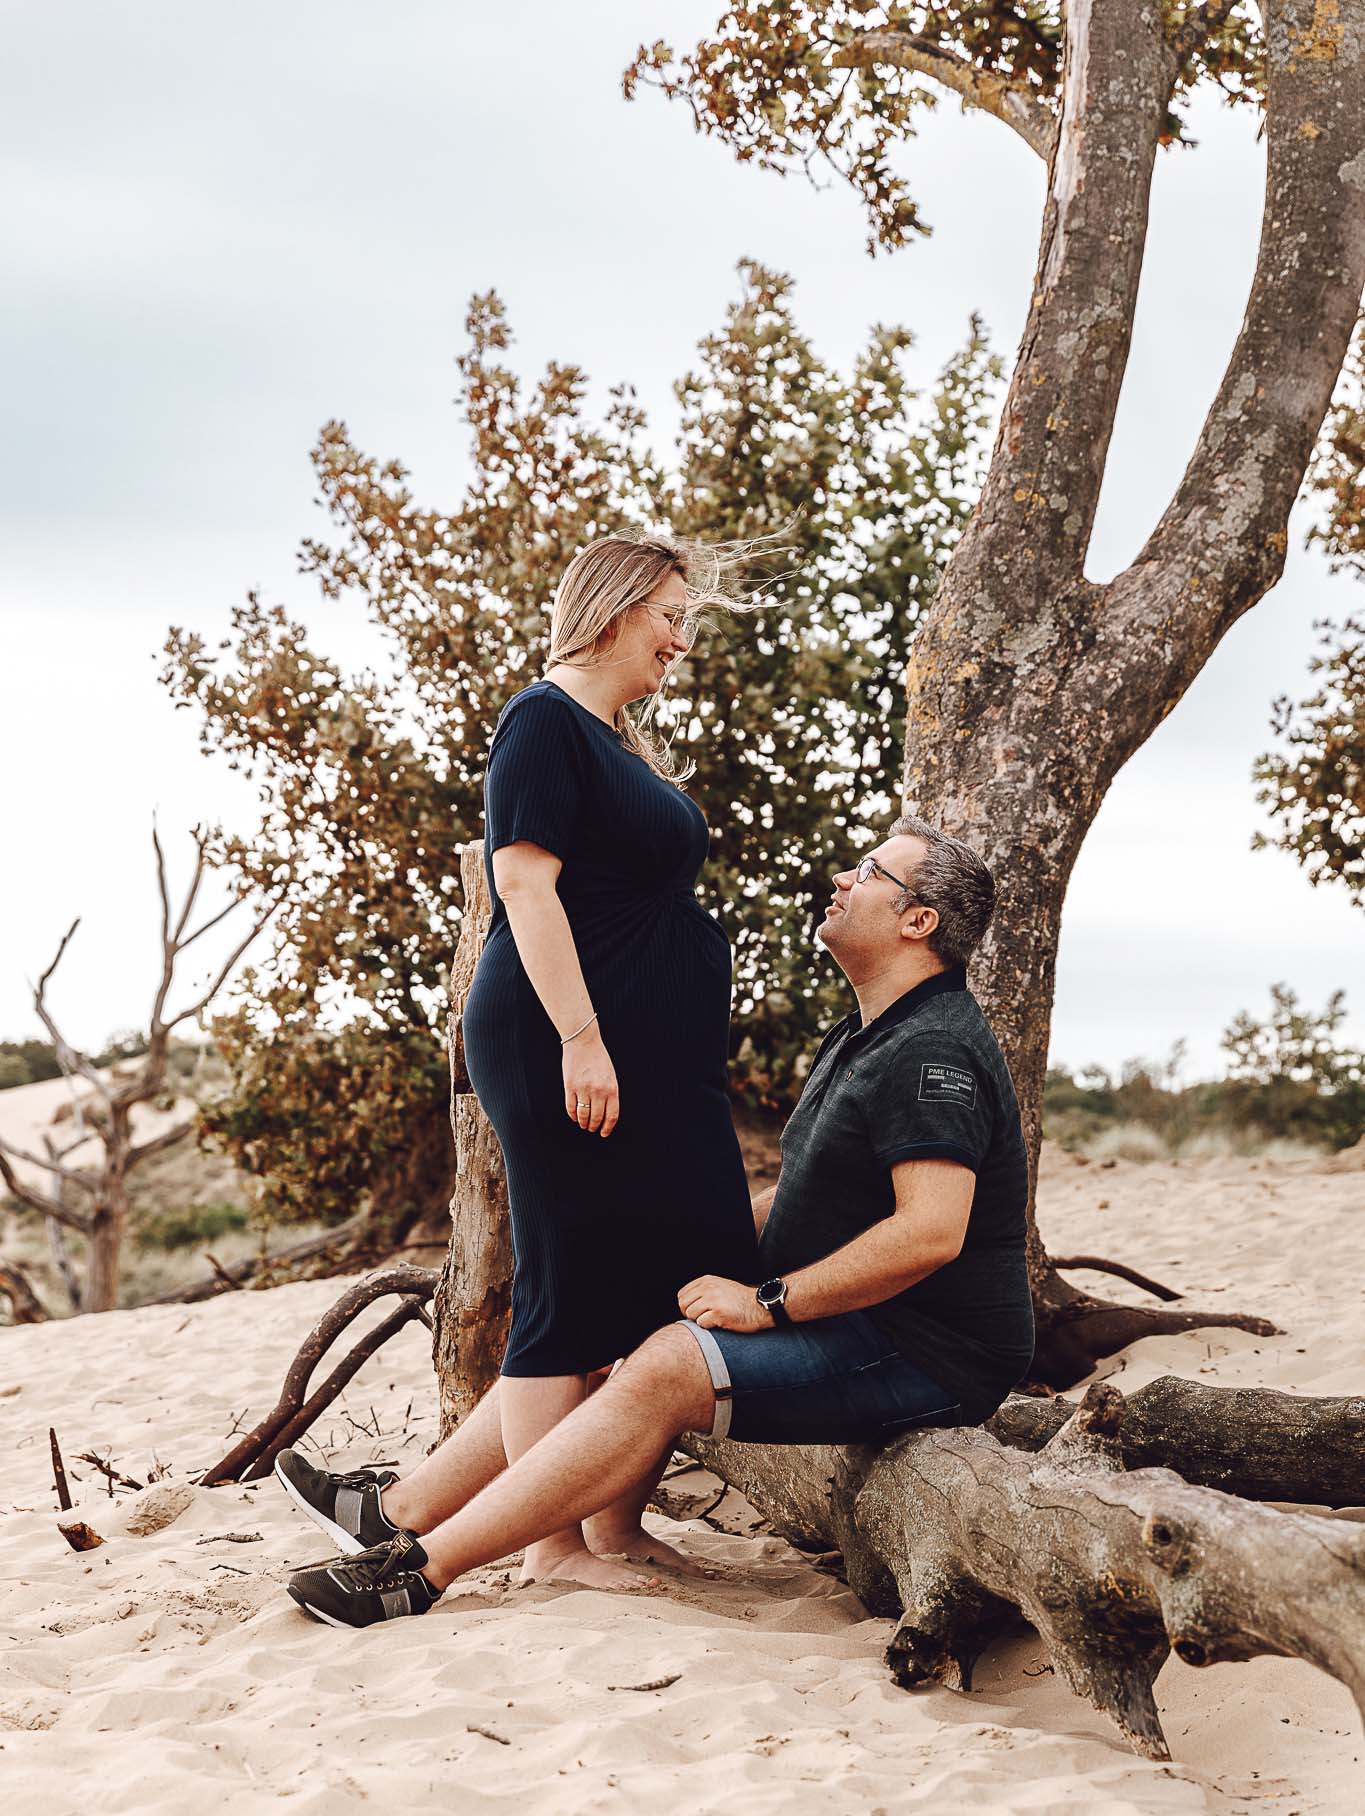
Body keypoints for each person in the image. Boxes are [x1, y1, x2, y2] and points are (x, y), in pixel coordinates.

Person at [281, 815, 1036, 1629]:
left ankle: (419, 1573)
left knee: (668, 1364)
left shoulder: (931, 1054)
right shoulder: (866, 1033)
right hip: (862, 1321)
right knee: (614, 1299)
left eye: (867, 873)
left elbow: (929, 1232)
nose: (842, 881)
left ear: (917, 921)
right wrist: (680, 1247)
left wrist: (769, 1301)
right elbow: (813, 1194)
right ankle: (398, 1511)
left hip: (926, 1351)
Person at [276, 532, 760, 1592]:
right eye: (671, 614)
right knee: (571, 1278)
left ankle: (598, 1522)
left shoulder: (616, 738)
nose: (682, 640)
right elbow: (526, 889)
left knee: (673, 1273)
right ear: (615, 607)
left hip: (655, 1064)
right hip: (560, 1040)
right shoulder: (541, 721)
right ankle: (555, 1545)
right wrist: (584, 1039)